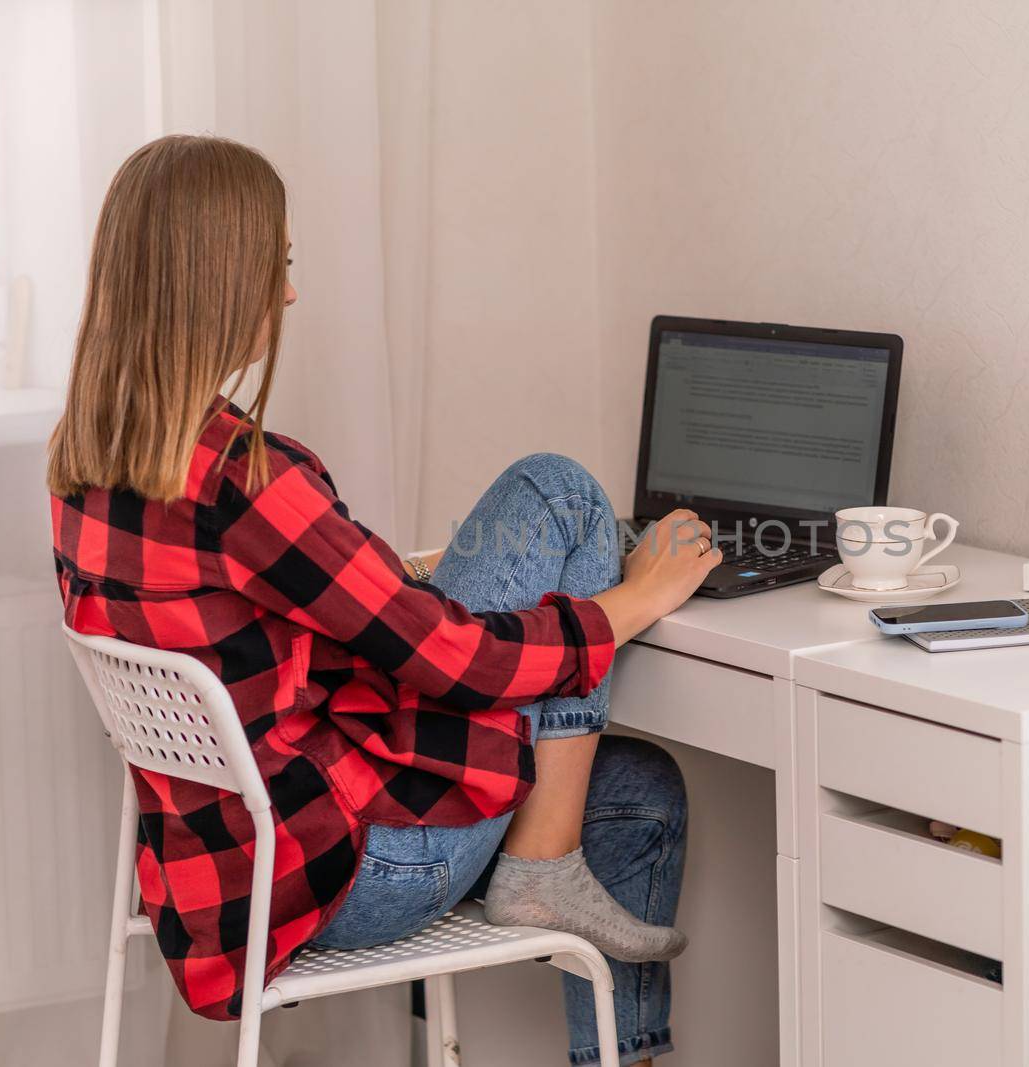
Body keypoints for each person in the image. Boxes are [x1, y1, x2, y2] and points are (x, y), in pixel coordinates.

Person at [47, 133, 719, 1066]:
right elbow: (459, 659)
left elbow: (260, 621)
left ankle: (575, 930)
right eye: (275, 265)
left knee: (641, 792)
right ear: (218, 278)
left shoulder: (89, 465)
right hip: (351, 874)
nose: (288, 294)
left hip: (224, 886)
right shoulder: (239, 478)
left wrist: (396, 576)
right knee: (564, 491)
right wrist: (634, 597)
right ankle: (541, 866)